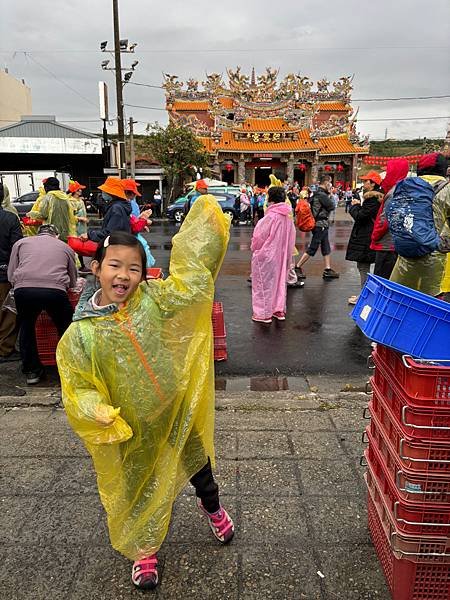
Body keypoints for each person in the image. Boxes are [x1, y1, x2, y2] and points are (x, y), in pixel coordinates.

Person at [56, 194, 233, 591]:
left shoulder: (151, 300)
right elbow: (77, 384)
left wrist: (207, 235)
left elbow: (191, 289)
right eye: (115, 266)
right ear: (96, 269)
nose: (123, 276)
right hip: (131, 422)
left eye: (133, 268)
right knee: (138, 484)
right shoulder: (82, 334)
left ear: (143, 273)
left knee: (198, 466)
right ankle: (144, 550)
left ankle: (214, 508)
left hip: (174, 402)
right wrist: (96, 409)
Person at [7, 224, 77, 384]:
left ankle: (32, 372)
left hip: (24, 290)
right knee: (66, 328)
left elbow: (11, 274)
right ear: (56, 235)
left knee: (26, 327)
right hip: (55, 292)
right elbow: (73, 280)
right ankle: (70, 369)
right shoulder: (65, 247)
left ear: (38, 234)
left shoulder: (21, 243)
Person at [390, 153, 450, 297]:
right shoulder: (447, 190)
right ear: (444, 169)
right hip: (435, 258)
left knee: (404, 301)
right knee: (430, 306)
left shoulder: (405, 187)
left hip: (405, 255)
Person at [251, 185, 297, 323]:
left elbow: (258, 238)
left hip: (267, 256)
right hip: (283, 257)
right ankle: (278, 309)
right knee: (279, 283)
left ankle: (263, 314)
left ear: (270, 199)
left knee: (263, 284)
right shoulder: (287, 218)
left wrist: (256, 250)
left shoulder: (270, 217)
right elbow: (291, 239)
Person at [345, 171, 384, 305]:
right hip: (367, 236)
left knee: (363, 267)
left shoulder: (373, 200)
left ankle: (364, 296)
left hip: (366, 237)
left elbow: (361, 216)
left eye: (366, 181)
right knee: (363, 267)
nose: (364, 183)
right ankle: (364, 294)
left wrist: (355, 205)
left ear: (373, 184)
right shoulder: (375, 198)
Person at [370, 158, 409, 279]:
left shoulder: (394, 192)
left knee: (383, 282)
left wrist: (375, 236)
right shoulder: (403, 189)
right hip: (395, 244)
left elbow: (385, 220)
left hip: (387, 245)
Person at [295, 175, 340, 280]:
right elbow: (332, 206)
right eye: (330, 183)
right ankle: (297, 267)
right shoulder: (322, 195)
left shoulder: (315, 194)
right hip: (320, 224)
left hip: (318, 223)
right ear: (326, 183)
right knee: (313, 246)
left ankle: (327, 269)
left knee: (325, 245)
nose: (331, 186)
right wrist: (332, 194)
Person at [82, 177, 150, 245]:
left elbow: (110, 233)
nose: (103, 193)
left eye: (105, 191)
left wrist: (90, 234)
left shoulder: (116, 208)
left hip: (116, 247)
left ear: (111, 193)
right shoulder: (121, 205)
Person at [0, 184, 22, 361]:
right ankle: (5, 348)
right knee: (8, 312)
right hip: (4, 274)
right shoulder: (10, 218)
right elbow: (17, 248)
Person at [27, 177, 76, 242]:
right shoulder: (65, 197)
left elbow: (43, 215)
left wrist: (30, 214)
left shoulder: (47, 198)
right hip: (65, 232)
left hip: (52, 233)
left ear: (47, 187)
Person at [122, 178, 156, 268]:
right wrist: (143, 219)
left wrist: (142, 221)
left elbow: (133, 219)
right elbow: (133, 223)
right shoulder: (125, 204)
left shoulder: (128, 203)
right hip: (130, 237)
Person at [67, 181, 89, 272]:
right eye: (78, 189)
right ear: (74, 191)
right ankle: (76, 267)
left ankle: (81, 266)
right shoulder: (70, 202)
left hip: (82, 228)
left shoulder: (80, 200)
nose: (80, 191)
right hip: (74, 228)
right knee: (74, 247)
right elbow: (70, 216)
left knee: (80, 247)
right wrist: (80, 218)